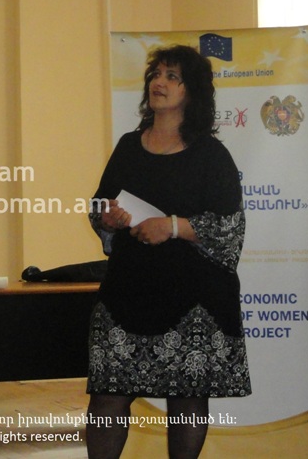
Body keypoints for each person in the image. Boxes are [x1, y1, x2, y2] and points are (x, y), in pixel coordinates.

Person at [85, 45, 250, 459]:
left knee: (187, 399)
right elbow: (99, 204)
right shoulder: (128, 146)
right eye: (156, 75)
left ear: (191, 91)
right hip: (127, 292)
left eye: (172, 77)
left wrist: (172, 226)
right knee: (106, 396)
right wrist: (108, 217)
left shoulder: (212, 155)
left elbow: (231, 227)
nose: (159, 82)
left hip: (194, 299)